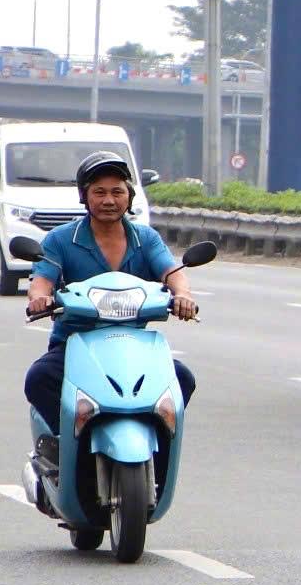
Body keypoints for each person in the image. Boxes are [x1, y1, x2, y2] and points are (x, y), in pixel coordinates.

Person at [23, 152, 198, 477]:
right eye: (99, 192)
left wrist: (183, 295)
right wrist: (41, 298)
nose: (109, 200)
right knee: (39, 379)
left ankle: (157, 449)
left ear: (129, 196)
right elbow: (42, 279)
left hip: (134, 347)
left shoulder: (145, 238)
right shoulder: (61, 240)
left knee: (181, 379)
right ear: (84, 197)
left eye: (117, 192)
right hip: (76, 345)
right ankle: (62, 445)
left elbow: (172, 271)